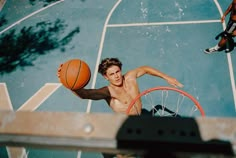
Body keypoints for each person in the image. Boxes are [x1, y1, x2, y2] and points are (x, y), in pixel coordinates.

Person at [57, 57, 183, 157]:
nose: (116, 76)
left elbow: (145, 69)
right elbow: (85, 94)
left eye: (117, 72)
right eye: (112, 74)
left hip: (141, 124)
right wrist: (70, 84)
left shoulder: (130, 77)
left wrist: (167, 77)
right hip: (127, 133)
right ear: (106, 77)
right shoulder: (108, 92)